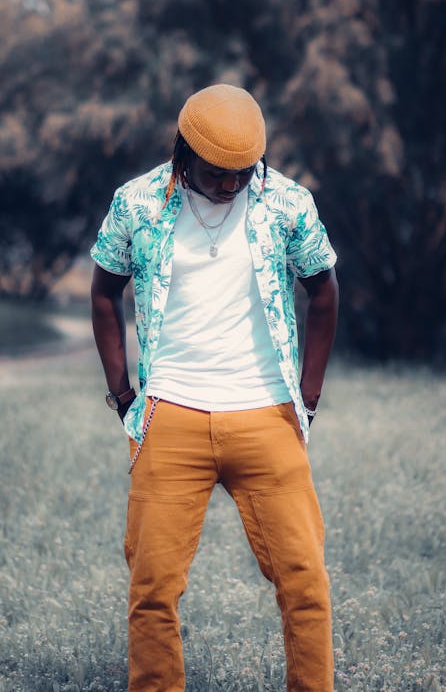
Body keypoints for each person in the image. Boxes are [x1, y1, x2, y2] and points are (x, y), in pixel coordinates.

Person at [90, 83, 339, 692]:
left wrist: (306, 398)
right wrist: (124, 395)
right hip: (170, 412)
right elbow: (103, 290)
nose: (231, 185)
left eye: (242, 172)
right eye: (216, 173)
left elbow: (324, 291)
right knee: (152, 589)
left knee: (305, 581)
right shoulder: (138, 202)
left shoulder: (287, 203)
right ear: (184, 151)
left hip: (267, 416)